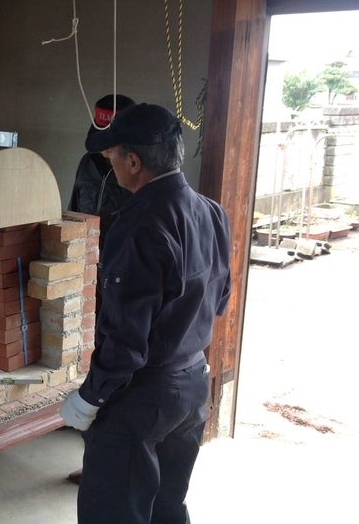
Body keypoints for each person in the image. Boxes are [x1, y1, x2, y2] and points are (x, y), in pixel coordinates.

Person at [60, 103, 232, 524]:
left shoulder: (138, 225)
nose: (111, 165)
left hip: (142, 396)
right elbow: (221, 299)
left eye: (113, 156)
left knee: (113, 513)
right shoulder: (211, 211)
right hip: (192, 384)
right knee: (167, 508)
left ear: (133, 162)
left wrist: (90, 396)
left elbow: (126, 341)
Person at [68, 93, 135, 238]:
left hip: (120, 250)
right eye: (102, 136)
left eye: (113, 138)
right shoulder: (87, 162)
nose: (106, 144)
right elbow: (73, 211)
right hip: (83, 248)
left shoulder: (138, 172)